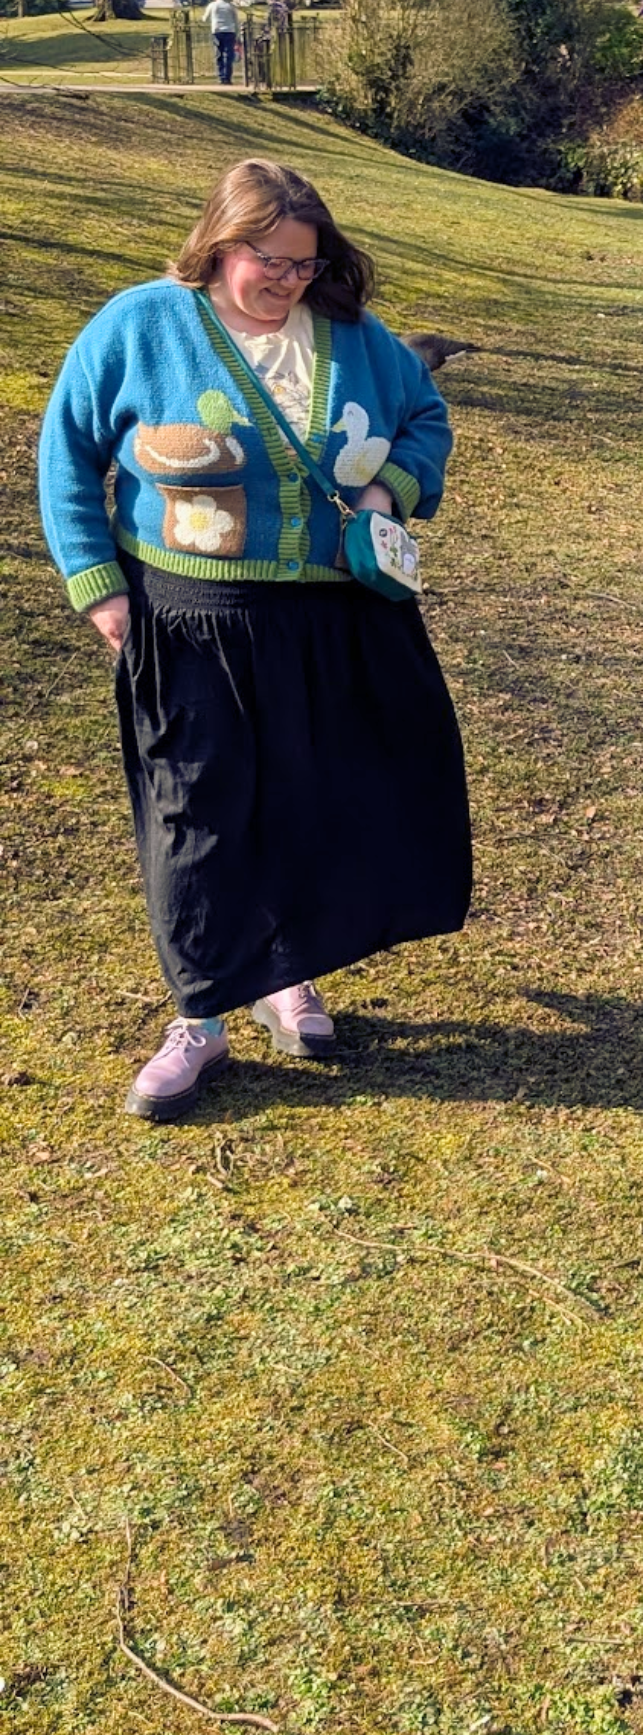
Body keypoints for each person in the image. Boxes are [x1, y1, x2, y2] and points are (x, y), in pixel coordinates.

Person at [38, 159, 472, 1122]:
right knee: (196, 816)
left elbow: (425, 421)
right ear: (219, 243)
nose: (287, 281)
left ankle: (291, 976)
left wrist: (383, 490)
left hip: (336, 615)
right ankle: (200, 1017)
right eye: (269, 261)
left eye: (304, 266)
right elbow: (67, 447)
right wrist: (97, 585)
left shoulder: (356, 338)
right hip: (189, 618)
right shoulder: (141, 322)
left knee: (316, 797)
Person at [202, 0, 239, 83]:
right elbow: (236, 20)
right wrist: (237, 33)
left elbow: (205, 18)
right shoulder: (230, 6)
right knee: (228, 55)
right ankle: (228, 77)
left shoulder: (212, 5)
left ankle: (221, 77)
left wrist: (204, 20)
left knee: (219, 54)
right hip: (230, 31)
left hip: (217, 31)